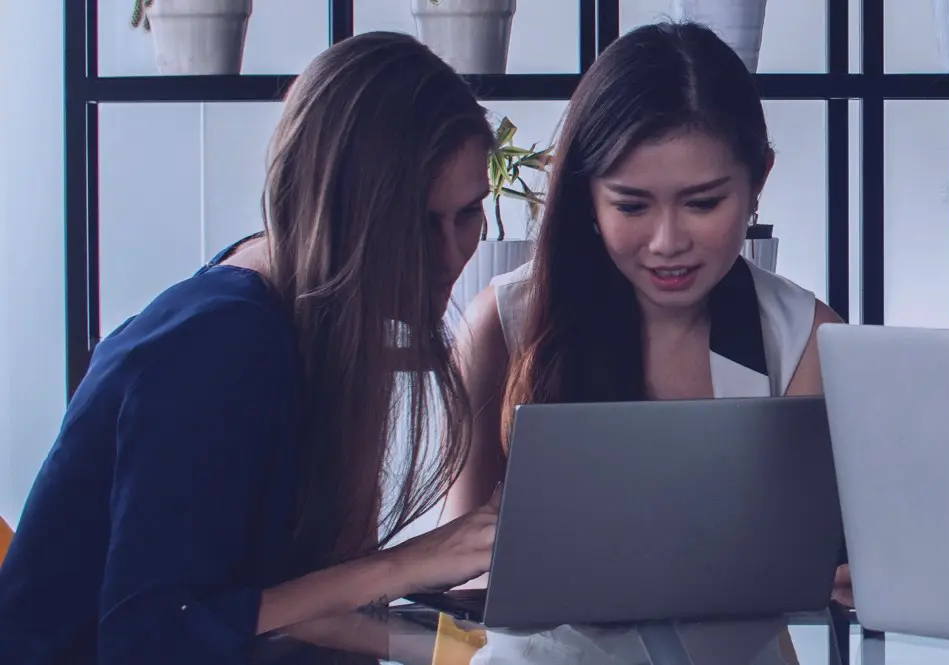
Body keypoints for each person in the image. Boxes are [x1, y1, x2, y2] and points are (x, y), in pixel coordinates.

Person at [0, 32, 502, 664]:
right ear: (342, 212)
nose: (453, 254)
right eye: (420, 224)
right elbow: (151, 638)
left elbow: (275, 601)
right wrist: (405, 565)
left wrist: (470, 651)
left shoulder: (307, 307)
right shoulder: (217, 345)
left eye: (468, 214)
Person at [442, 18, 838, 618]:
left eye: (703, 203)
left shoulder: (805, 337)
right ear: (586, 195)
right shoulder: (505, 323)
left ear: (759, 179)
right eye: (631, 206)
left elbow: (814, 570)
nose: (667, 242)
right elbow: (463, 584)